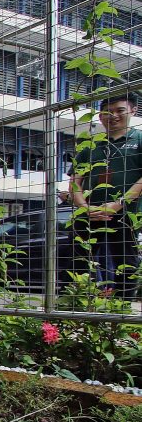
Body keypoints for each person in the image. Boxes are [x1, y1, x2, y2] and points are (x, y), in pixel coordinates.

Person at [69, 94, 142, 299]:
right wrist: (85, 207)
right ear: (100, 116)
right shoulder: (90, 145)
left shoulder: (139, 139)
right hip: (89, 214)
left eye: (120, 110)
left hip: (126, 214)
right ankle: (74, 306)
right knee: (77, 259)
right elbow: (75, 181)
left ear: (133, 111)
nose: (114, 116)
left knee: (126, 263)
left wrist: (118, 204)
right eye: (108, 112)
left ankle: (120, 312)